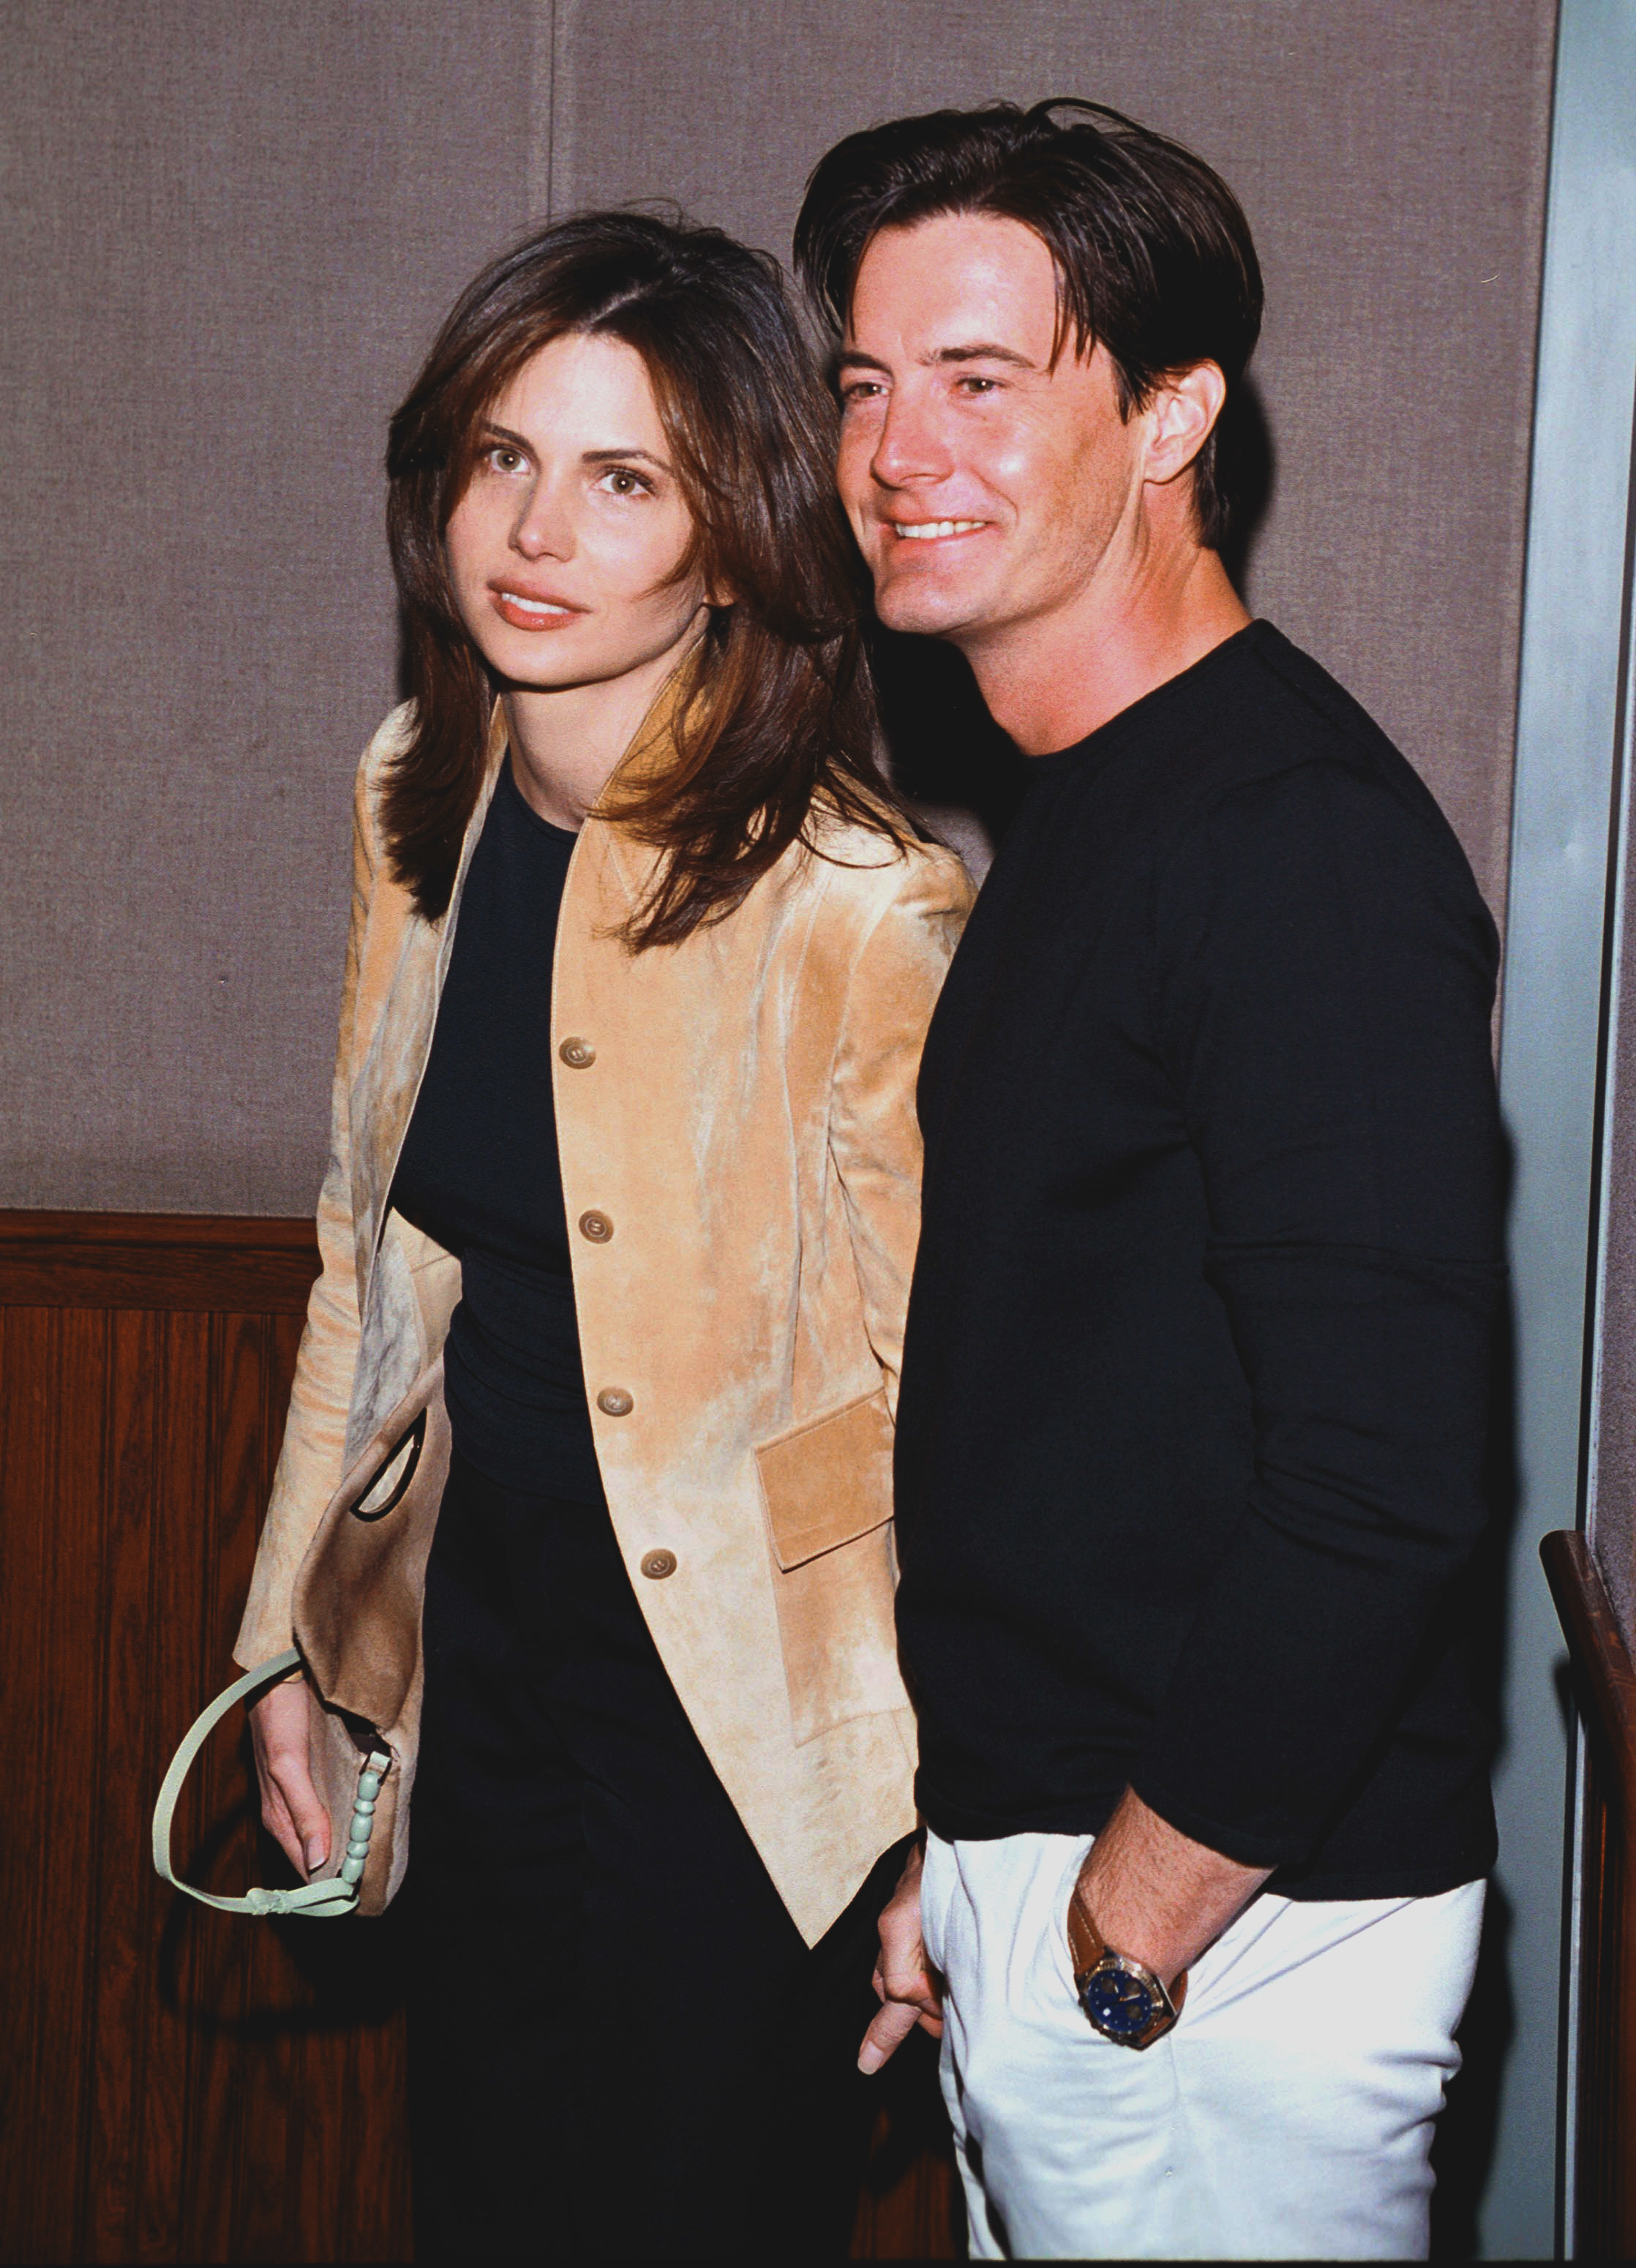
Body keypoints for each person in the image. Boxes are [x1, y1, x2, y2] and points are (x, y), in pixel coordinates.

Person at [795, 101, 1504, 2261]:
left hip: (1221, 1939)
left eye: (983, 378)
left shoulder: (1283, 835)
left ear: (1175, 410)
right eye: (865, 378)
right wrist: (982, 1852)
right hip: (1099, 1886)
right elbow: (1092, 1420)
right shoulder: (1096, 811)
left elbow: (1381, 1473)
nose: (900, 446)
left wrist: (1117, 1924)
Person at [233, 210, 972, 2261]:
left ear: (732, 530)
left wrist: (945, 1824)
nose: (533, 528)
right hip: (483, 1679)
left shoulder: (861, 907)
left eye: (621, 477)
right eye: (500, 457)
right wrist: (286, 1633)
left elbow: (949, 1407)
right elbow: (363, 1268)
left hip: (742, 1733)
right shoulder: (416, 801)